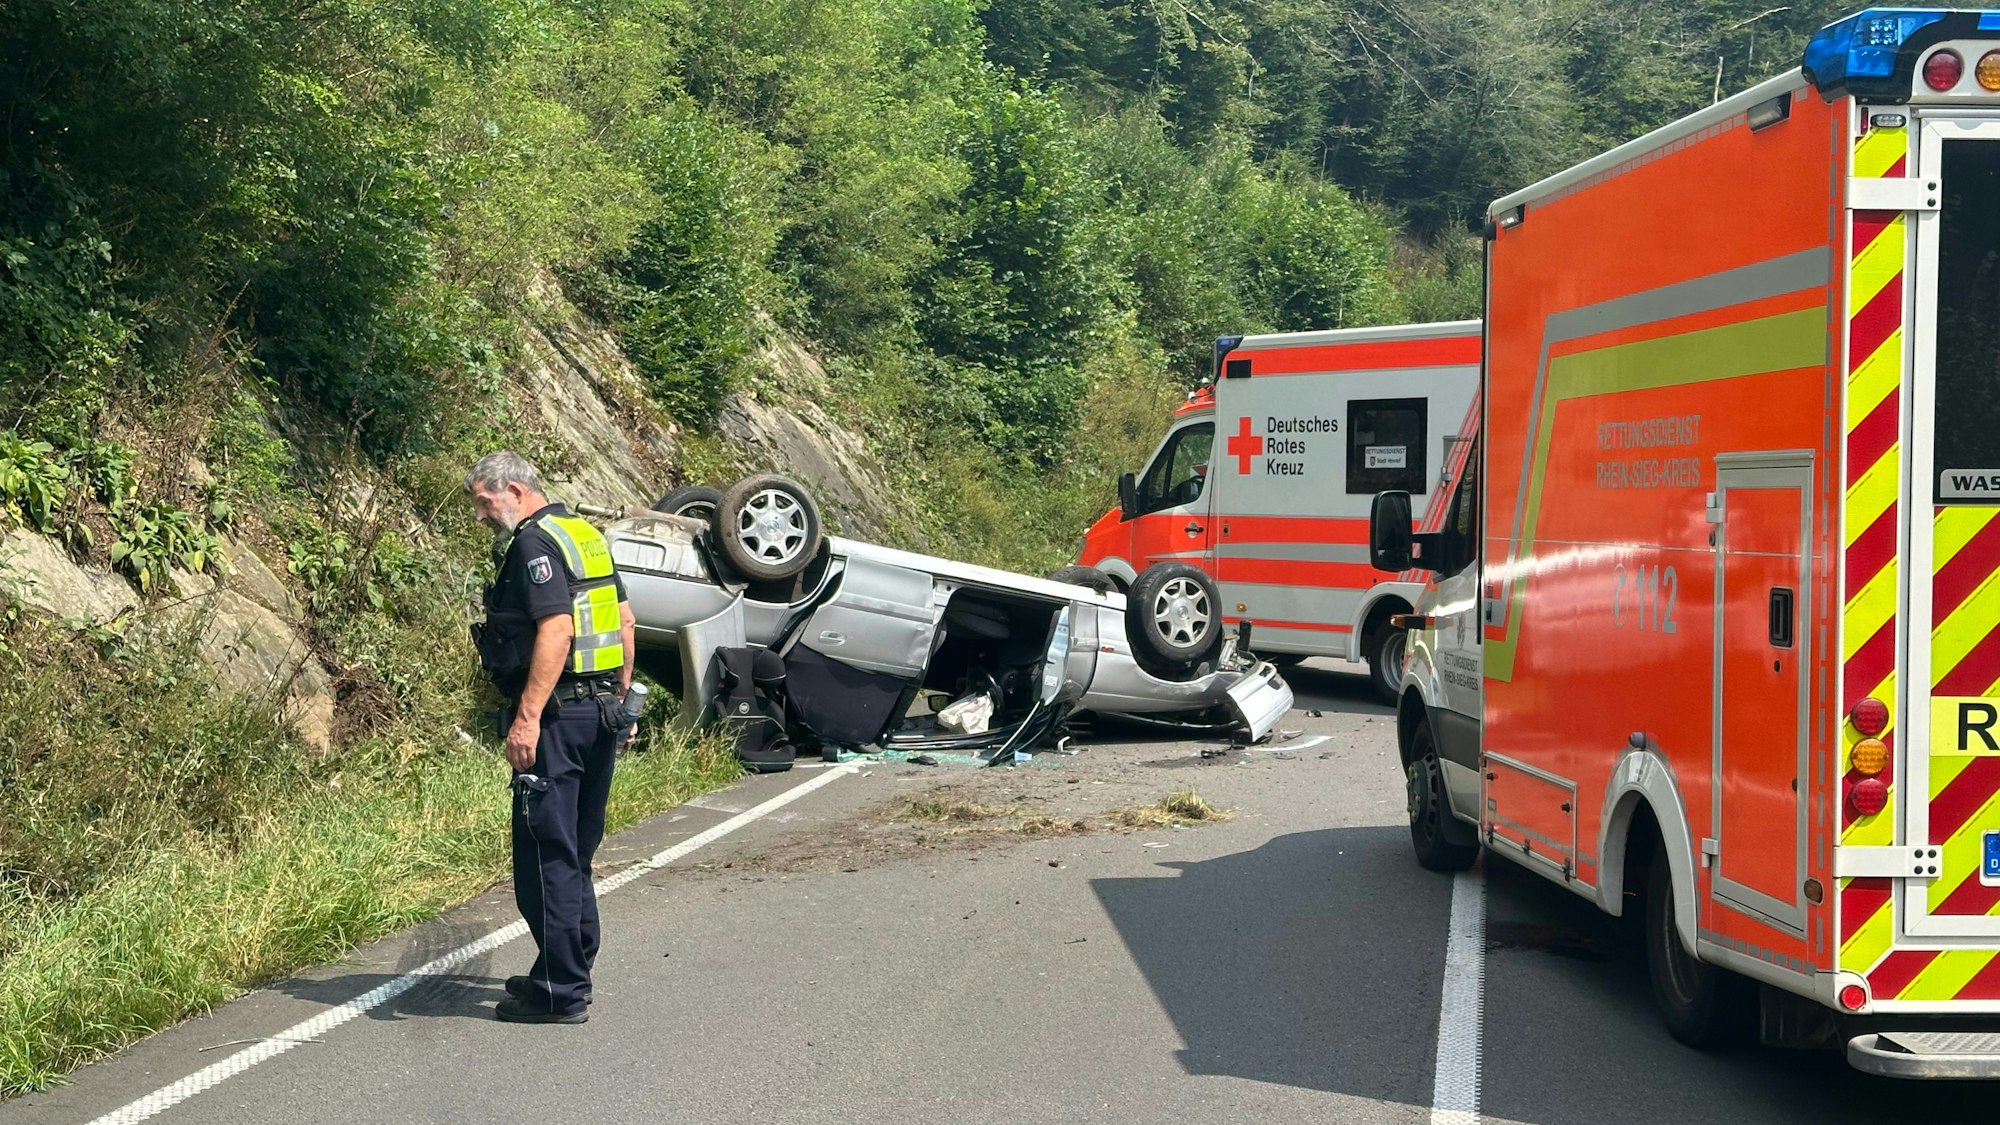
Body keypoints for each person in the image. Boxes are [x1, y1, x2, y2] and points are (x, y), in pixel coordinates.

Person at [465, 451, 637, 1024]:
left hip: (558, 721)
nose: (483, 517)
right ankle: (562, 970)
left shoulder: (533, 544)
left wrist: (527, 718)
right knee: (575, 851)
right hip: (599, 716)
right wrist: (620, 696)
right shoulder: (583, 533)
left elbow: (557, 628)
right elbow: (625, 620)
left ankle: (561, 993)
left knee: (546, 855)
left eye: (486, 504)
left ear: (514, 489)